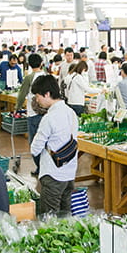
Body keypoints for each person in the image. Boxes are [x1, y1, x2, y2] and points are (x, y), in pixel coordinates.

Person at [30, 75, 79, 216]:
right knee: (65, 217)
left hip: (53, 174)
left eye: (38, 96)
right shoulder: (71, 113)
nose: (37, 100)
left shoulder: (49, 118)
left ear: (47, 94)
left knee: (49, 219)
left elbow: (34, 149)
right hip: (69, 172)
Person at [16, 54, 46, 174]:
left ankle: (40, 167)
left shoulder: (29, 78)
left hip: (33, 113)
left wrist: (17, 107)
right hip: (46, 114)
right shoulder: (46, 76)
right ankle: (45, 167)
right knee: (45, 141)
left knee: (34, 142)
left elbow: (22, 95)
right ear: (41, 63)